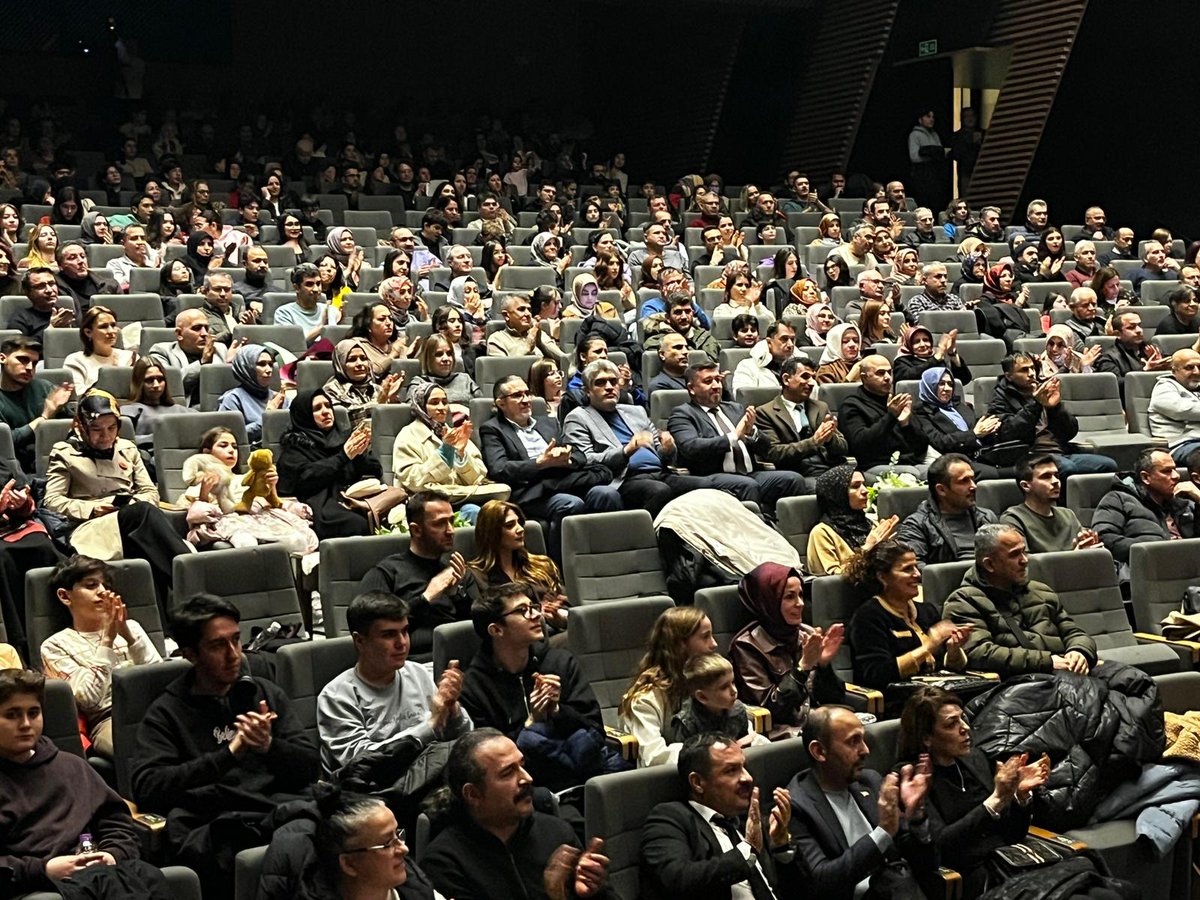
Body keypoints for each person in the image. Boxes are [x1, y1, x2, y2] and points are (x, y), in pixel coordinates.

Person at [130, 594, 320, 897]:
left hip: (276, 806)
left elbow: (310, 766)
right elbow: (148, 787)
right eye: (219, 646)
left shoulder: (262, 693)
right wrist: (230, 753)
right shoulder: (168, 711)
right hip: (216, 821)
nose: (234, 654)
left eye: (236, 640)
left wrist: (268, 746)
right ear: (191, 653)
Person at [0, 668, 162, 898]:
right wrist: (43, 870)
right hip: (32, 887)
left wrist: (112, 854)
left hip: (96, 874)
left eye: (33, 712)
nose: (26, 723)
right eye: (12, 715)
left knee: (147, 877)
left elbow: (118, 825)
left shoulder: (72, 766)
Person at [44, 391, 190, 620]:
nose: (105, 436)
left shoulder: (127, 449)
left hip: (130, 520)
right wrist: (93, 508)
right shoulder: (65, 453)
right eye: (97, 430)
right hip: (91, 526)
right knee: (142, 516)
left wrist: (130, 503)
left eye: (111, 428)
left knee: (145, 541)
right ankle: (191, 578)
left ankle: (168, 628)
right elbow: (52, 501)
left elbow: (150, 491)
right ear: (81, 427)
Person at [421, 728, 612, 900]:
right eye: (507, 773)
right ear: (473, 794)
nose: (527, 778)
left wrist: (594, 890)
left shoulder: (557, 832)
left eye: (522, 765)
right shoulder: (444, 863)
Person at [896, 686, 1049, 899]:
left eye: (963, 719)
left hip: (1012, 865)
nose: (965, 728)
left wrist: (1019, 795)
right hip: (975, 879)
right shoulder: (911, 779)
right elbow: (940, 846)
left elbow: (1013, 834)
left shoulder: (975, 759)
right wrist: (996, 799)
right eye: (952, 724)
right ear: (927, 738)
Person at [461, 583, 613, 793]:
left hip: (584, 773)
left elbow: (596, 727)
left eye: (532, 606)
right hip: (527, 787)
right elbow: (490, 761)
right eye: (522, 611)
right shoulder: (473, 687)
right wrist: (533, 721)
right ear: (496, 630)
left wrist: (558, 711)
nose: (535, 615)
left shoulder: (560, 662)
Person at [788, 706, 939, 900]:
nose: (866, 750)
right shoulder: (797, 805)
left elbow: (927, 864)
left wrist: (916, 815)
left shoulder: (870, 781)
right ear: (819, 751)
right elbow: (822, 880)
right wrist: (882, 832)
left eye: (863, 739)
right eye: (853, 741)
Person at [317, 591, 471, 776]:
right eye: (389, 635)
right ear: (360, 640)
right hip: (375, 790)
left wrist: (452, 708)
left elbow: (464, 737)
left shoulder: (419, 673)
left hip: (426, 776)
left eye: (405, 631)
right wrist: (431, 725)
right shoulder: (337, 696)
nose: (402, 643)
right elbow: (360, 762)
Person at [479, 375, 620, 563]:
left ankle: (610, 560)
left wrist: (565, 460)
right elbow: (499, 469)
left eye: (527, 394)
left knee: (607, 494)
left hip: (564, 479)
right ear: (501, 403)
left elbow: (579, 454)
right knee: (570, 504)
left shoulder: (548, 423)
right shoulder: (492, 429)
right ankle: (563, 568)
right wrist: (540, 463)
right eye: (517, 395)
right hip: (533, 490)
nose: (526, 400)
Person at [640, 732, 798, 900]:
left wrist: (781, 845)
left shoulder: (749, 819)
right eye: (731, 770)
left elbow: (798, 888)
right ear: (698, 783)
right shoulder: (669, 819)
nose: (748, 778)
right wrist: (748, 850)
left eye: (744, 767)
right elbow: (677, 880)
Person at [39, 555, 162, 759]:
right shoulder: (55, 646)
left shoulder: (132, 628)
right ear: (65, 596)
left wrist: (129, 638)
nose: (103, 591)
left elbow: (159, 680)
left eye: (105, 585)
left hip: (155, 707)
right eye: (91, 585)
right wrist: (107, 640)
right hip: (109, 720)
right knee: (146, 748)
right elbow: (89, 701)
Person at [943, 524, 1098, 679]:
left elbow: (1073, 631)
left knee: (1121, 677)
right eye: (1015, 555)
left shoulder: (1040, 591)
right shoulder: (964, 602)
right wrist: (1047, 662)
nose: (1024, 560)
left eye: (1024, 552)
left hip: (1067, 670)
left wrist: (1079, 651)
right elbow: (979, 653)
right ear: (990, 564)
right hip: (1025, 680)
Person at [668, 362, 807, 518]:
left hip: (750, 474)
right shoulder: (683, 414)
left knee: (793, 480)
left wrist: (752, 432)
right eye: (708, 381)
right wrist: (734, 436)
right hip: (712, 475)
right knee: (747, 485)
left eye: (718, 380)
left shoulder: (734, 409)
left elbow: (767, 449)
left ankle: (791, 532)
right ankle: (756, 532)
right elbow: (691, 448)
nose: (716, 386)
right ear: (691, 388)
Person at [729, 562, 846, 739]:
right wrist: (803, 667)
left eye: (800, 595)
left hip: (817, 721)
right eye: (789, 597)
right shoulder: (747, 645)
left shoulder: (806, 633)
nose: (800, 604)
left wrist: (824, 665)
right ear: (769, 601)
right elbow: (771, 708)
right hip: (783, 732)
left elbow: (835, 697)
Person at [358, 492, 480, 657]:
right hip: (411, 664)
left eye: (451, 521)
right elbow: (374, 626)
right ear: (416, 530)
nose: (451, 530)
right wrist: (426, 598)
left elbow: (479, 626)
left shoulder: (457, 572)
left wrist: (457, 595)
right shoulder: (387, 572)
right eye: (440, 524)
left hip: (461, 660)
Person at [845, 540, 970, 700]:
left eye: (916, 567)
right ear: (883, 577)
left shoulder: (927, 610)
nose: (917, 574)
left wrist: (954, 650)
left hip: (940, 696)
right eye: (907, 569)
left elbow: (952, 668)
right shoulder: (869, 617)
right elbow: (876, 674)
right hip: (901, 701)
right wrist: (929, 646)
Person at [987, 353, 1117, 477]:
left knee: (1108, 465)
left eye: (1032, 368)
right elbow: (1008, 433)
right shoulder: (1000, 398)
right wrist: (1036, 404)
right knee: (1067, 468)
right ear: (1009, 376)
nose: (1031, 373)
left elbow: (1071, 431)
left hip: (1060, 451)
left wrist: (1056, 407)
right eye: (1024, 370)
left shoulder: (1044, 388)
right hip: (1030, 456)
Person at [619, 608, 720, 768]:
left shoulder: (710, 682)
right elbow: (653, 757)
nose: (714, 644)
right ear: (680, 645)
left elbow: (740, 729)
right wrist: (714, 751)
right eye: (705, 636)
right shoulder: (646, 699)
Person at [276, 389, 384, 539]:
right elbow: (306, 479)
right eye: (317, 408)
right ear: (304, 415)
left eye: (328, 406)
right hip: (321, 503)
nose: (326, 412)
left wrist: (358, 454)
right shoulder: (294, 448)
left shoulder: (345, 438)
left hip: (356, 497)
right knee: (356, 523)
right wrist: (344, 456)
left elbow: (376, 469)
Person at [392, 384, 505, 523]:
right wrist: (445, 452)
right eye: (434, 402)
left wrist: (461, 454)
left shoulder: (455, 433)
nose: (441, 407)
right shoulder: (408, 435)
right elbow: (414, 480)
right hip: (428, 504)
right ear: (420, 406)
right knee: (475, 513)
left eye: (444, 402)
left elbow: (479, 476)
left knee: (501, 512)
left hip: (464, 497)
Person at [1092, 448, 1196, 571]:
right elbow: (1104, 538)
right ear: (1146, 477)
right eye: (1167, 471)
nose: (1176, 476)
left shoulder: (1182, 503)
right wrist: (1160, 549)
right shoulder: (1118, 499)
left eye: (1175, 469)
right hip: (1148, 572)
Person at [897, 452, 999, 570]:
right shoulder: (918, 525)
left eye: (972, 479)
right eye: (964, 481)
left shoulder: (986, 517)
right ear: (941, 490)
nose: (973, 486)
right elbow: (914, 567)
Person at [755, 356, 847, 484]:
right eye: (805, 377)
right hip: (797, 473)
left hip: (829, 468)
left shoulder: (820, 407)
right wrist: (814, 442)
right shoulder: (765, 413)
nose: (811, 383)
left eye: (813, 378)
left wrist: (830, 438)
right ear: (786, 379)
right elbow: (774, 453)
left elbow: (843, 448)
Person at [839, 355, 930, 479]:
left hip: (910, 462)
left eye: (889, 372)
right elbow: (860, 445)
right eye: (880, 373)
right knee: (912, 474)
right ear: (864, 377)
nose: (887, 377)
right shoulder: (852, 405)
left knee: (943, 471)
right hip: (875, 465)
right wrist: (891, 416)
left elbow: (922, 444)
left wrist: (906, 424)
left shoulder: (898, 401)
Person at [807, 465, 899, 576]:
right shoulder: (822, 533)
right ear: (838, 494)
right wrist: (866, 549)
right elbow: (831, 582)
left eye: (863, 484)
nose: (865, 490)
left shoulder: (871, 524)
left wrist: (888, 548)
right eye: (856, 486)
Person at [0, 335, 73, 472]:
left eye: (34, 363)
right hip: (11, 469)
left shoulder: (45, 388)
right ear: (3, 358)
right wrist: (45, 417)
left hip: (54, 462)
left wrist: (64, 410)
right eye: (23, 360)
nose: (29, 368)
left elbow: (72, 427)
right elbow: (7, 441)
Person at [999, 454, 1100, 553]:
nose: (1056, 481)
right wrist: (1074, 558)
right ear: (1026, 486)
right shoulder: (1014, 518)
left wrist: (1089, 549)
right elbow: (1022, 563)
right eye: (1046, 477)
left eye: (1056, 475)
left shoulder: (1068, 515)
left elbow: (1082, 550)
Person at [147, 308, 232, 408]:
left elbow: (226, 386)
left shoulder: (220, 348)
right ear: (179, 334)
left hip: (218, 408)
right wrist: (202, 363)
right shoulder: (161, 351)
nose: (204, 333)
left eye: (206, 328)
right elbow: (169, 386)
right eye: (197, 328)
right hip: (183, 410)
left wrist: (232, 363)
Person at [322, 338, 405, 426]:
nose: (360, 364)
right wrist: (378, 403)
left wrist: (392, 400)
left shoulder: (377, 389)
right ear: (340, 364)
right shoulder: (330, 390)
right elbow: (344, 423)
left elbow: (391, 423)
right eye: (352, 359)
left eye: (363, 358)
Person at [217, 344, 286, 443]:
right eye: (262, 364)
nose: (269, 370)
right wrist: (268, 416)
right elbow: (230, 438)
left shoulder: (278, 398)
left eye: (270, 364)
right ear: (246, 367)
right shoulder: (232, 399)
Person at [63, 305, 136, 396]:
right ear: (88, 332)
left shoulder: (131, 357)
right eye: (104, 327)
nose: (111, 331)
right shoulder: (75, 361)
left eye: (113, 325)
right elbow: (78, 396)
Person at [1095, 310, 1170, 390]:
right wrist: (1145, 370)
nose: (1139, 330)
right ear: (1117, 334)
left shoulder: (1153, 348)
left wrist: (1163, 366)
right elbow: (1114, 385)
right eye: (1131, 327)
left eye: (1139, 325)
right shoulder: (1108, 357)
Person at [1149, 348, 1200, 464]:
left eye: (1199, 367)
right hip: (1183, 444)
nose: (1196, 372)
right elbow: (1182, 410)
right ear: (1174, 371)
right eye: (1189, 367)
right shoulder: (1164, 388)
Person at [408, 332, 481, 412]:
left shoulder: (465, 379)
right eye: (439, 354)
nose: (446, 359)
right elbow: (413, 411)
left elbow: (482, 407)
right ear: (428, 358)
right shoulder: (418, 384)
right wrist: (455, 408)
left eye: (449, 354)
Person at [275, 263, 340, 346]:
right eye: (309, 284)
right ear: (296, 288)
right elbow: (293, 345)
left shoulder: (330, 310)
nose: (316, 289)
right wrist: (321, 327)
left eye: (318, 283)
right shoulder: (283, 313)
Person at [53, 241, 117, 318]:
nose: (81, 261)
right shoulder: (53, 289)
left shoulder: (110, 285)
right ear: (60, 265)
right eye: (72, 258)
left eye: (83, 256)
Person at [892, 325, 971, 385]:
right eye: (916, 342)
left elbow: (964, 380)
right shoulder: (902, 361)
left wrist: (952, 353)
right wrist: (936, 358)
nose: (922, 344)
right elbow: (906, 378)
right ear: (909, 344)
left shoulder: (940, 359)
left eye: (926, 340)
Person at [731, 320, 798, 392]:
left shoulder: (799, 366)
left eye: (792, 339)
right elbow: (743, 396)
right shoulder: (747, 366)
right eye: (784, 339)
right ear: (769, 342)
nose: (790, 344)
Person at [11, 266, 74, 340]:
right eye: (41, 286)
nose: (49, 290)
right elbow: (19, 350)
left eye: (51, 284)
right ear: (28, 292)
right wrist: (52, 329)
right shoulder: (20, 318)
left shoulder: (66, 314)